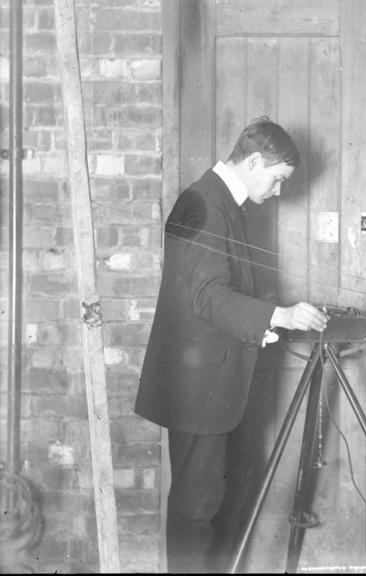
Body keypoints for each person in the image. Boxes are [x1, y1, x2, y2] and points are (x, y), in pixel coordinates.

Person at [135, 117, 328, 573]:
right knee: (197, 507)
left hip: (216, 384)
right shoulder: (204, 203)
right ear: (255, 161)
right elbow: (207, 296)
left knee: (224, 499)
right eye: (277, 180)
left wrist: (276, 313)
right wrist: (277, 315)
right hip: (197, 387)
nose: (278, 192)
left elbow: (219, 290)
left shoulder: (221, 202)